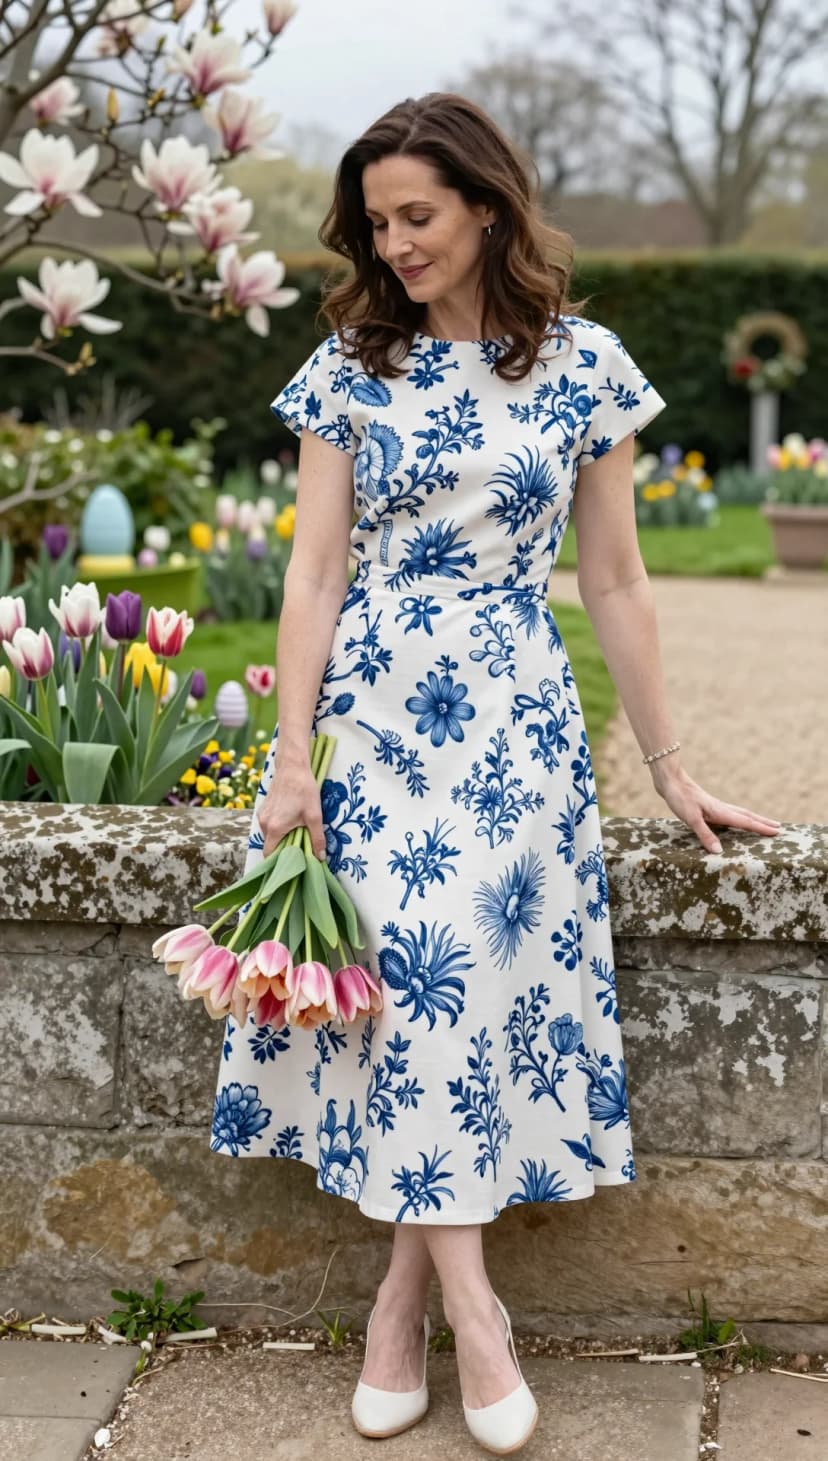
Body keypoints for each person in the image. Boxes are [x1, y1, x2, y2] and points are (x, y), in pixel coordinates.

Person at [210, 92, 781, 1454]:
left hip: (516, 719)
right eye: (378, 222)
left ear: (484, 206)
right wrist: (290, 759)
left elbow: (619, 577)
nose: (394, 243)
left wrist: (671, 765)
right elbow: (311, 569)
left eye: (417, 216)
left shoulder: (585, 366)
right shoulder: (351, 362)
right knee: (410, 980)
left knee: (454, 969)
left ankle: (400, 1303)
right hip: (373, 717)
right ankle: (476, 1313)